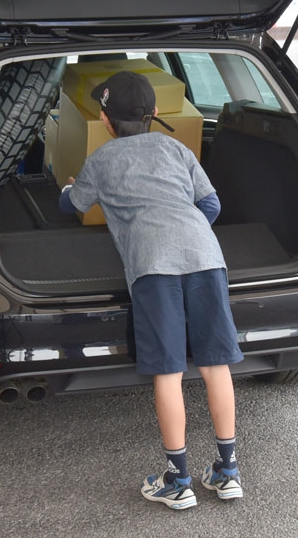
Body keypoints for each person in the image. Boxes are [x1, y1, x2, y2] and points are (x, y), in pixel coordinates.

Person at [59, 70, 243, 511]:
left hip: (153, 266)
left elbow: (73, 204)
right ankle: (228, 472)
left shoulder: (101, 159)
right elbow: (211, 203)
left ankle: (178, 480)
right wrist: (184, 231)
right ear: (155, 112)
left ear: (105, 120)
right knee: (216, 365)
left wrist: (67, 187)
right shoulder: (176, 147)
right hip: (206, 257)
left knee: (169, 372)